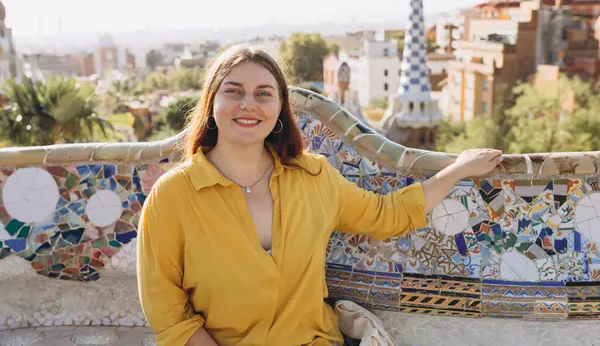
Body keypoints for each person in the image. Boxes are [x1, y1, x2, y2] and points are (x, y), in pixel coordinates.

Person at [136, 45, 503, 346]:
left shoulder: (313, 177)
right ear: (212, 105)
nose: (248, 104)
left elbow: (386, 214)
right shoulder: (173, 196)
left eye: (263, 94)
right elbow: (169, 313)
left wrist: (458, 170)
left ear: (279, 108)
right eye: (233, 91)